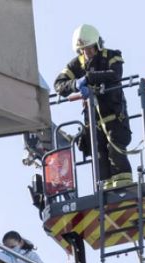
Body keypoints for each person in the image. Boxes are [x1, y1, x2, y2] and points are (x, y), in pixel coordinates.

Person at [54, 24, 133, 189]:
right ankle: (105, 191)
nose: (86, 53)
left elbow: (115, 74)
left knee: (115, 150)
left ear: (97, 44)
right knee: (99, 157)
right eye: (82, 50)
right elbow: (59, 85)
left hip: (114, 115)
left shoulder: (111, 56)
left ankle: (124, 187)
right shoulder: (76, 64)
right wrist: (75, 84)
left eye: (89, 48)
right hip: (93, 121)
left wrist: (89, 78)